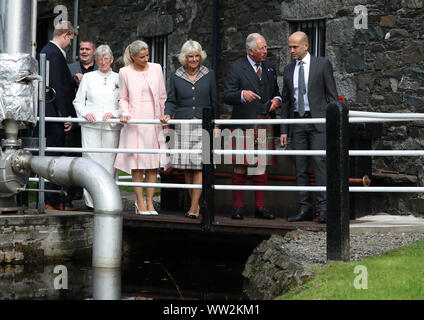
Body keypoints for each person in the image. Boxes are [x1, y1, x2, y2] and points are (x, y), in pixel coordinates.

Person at [280, 31, 338, 224]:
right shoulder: (288, 70)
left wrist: (332, 123)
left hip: (319, 122)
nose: (291, 50)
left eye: (295, 47)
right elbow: (286, 102)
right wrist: (284, 130)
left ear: (306, 46)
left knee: (320, 164)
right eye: (290, 47)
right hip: (297, 122)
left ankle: (324, 210)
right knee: (300, 166)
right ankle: (305, 208)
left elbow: (332, 96)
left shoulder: (322, 65)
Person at [223, 33, 281, 220]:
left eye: (265, 47)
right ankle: (238, 207)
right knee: (240, 165)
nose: (265, 51)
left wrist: (276, 101)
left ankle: (260, 207)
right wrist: (241, 94)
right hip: (243, 122)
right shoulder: (236, 69)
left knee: (260, 166)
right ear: (250, 51)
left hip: (263, 121)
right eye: (261, 48)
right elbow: (227, 95)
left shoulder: (270, 67)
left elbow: (277, 92)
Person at [160, 40, 218, 219]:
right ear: (184, 58)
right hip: (183, 124)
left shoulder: (209, 74)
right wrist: (167, 115)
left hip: (204, 123)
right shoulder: (175, 75)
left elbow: (214, 101)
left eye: (197, 56)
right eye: (190, 56)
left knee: (200, 165)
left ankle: (194, 207)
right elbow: (171, 100)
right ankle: (194, 205)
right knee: (187, 167)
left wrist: (215, 124)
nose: (194, 59)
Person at [115, 40, 167, 215]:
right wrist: (125, 113)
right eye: (142, 56)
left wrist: (163, 115)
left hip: (154, 119)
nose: (146, 59)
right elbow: (123, 97)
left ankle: (150, 202)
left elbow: (162, 95)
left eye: (147, 55)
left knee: (152, 163)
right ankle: (140, 202)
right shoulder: (124, 72)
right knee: (137, 163)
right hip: (135, 121)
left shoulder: (157, 68)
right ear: (133, 56)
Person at [73, 44, 121, 209]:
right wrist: (86, 113)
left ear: (111, 59)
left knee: (109, 161)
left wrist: (114, 113)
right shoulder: (88, 77)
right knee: (91, 160)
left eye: (106, 58)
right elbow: (78, 101)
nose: (103, 61)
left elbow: (124, 103)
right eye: (99, 58)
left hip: (111, 126)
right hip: (91, 126)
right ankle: (91, 202)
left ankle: (109, 200)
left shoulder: (119, 78)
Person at [39, 21, 78, 211]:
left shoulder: (48, 51)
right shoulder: (54, 54)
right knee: (53, 157)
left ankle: (55, 199)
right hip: (55, 115)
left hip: (52, 113)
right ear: (64, 35)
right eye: (70, 39)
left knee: (55, 156)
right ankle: (50, 200)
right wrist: (65, 116)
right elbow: (56, 89)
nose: (70, 43)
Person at [66, 40, 98, 206]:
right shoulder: (70, 69)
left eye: (87, 49)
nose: (84, 52)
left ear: (94, 52)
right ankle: (72, 195)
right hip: (74, 121)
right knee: (74, 157)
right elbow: (65, 92)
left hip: (94, 122)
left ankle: (92, 195)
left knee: (92, 158)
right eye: (82, 49)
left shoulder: (100, 70)